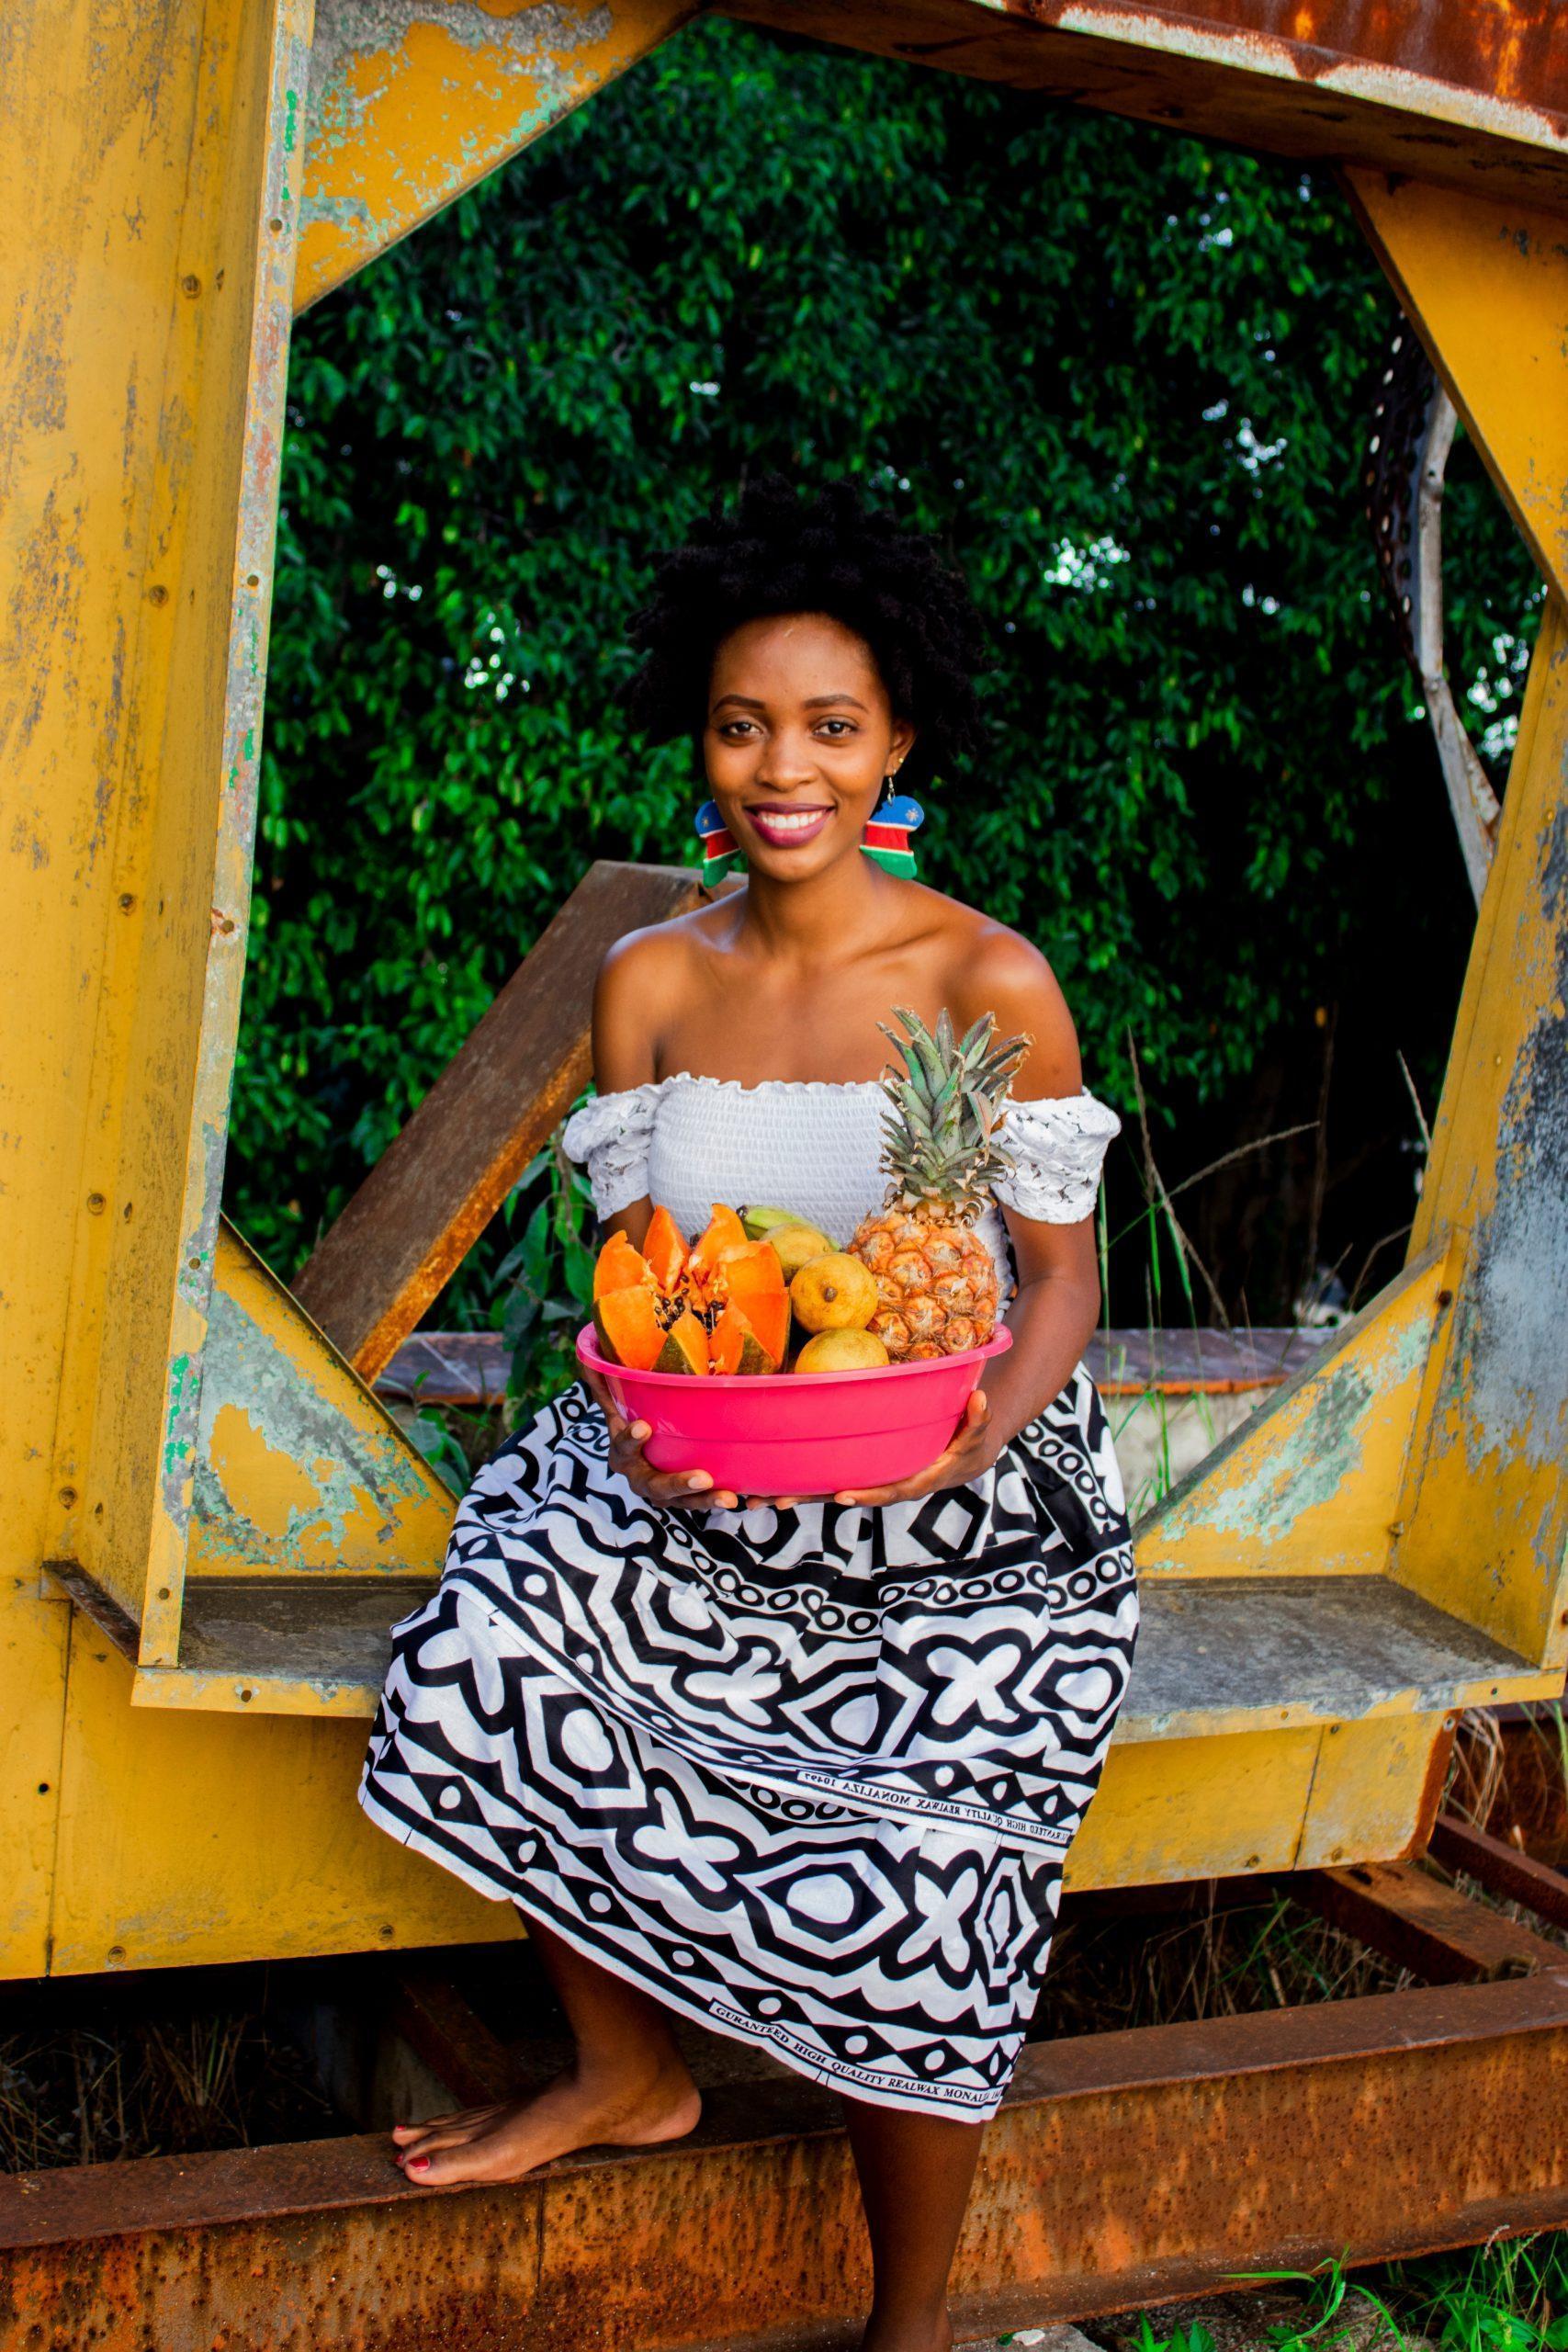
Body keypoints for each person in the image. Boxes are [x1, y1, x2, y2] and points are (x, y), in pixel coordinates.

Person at [359, 479, 1137, 2352]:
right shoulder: (650, 978)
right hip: (705, 1454)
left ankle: (911, 2322)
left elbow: (1058, 1281)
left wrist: (979, 1432)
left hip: (963, 1493)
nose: (783, 768)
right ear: (698, 739)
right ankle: (625, 2067)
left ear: (897, 743)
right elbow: (643, 1275)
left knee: (928, 1869)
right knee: (479, 1654)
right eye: (741, 724)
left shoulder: (988, 979)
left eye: (830, 726)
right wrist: (636, 1422)